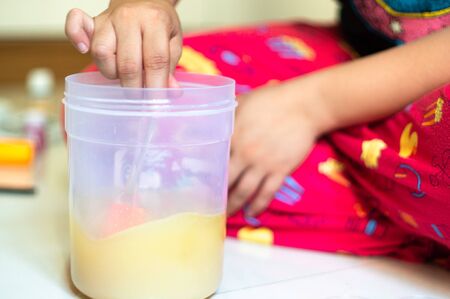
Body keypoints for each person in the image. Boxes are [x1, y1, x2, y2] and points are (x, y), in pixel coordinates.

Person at [65, 0, 450, 265]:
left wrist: (312, 105)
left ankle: (388, 200)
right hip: (358, 55)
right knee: (116, 96)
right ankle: (407, 206)